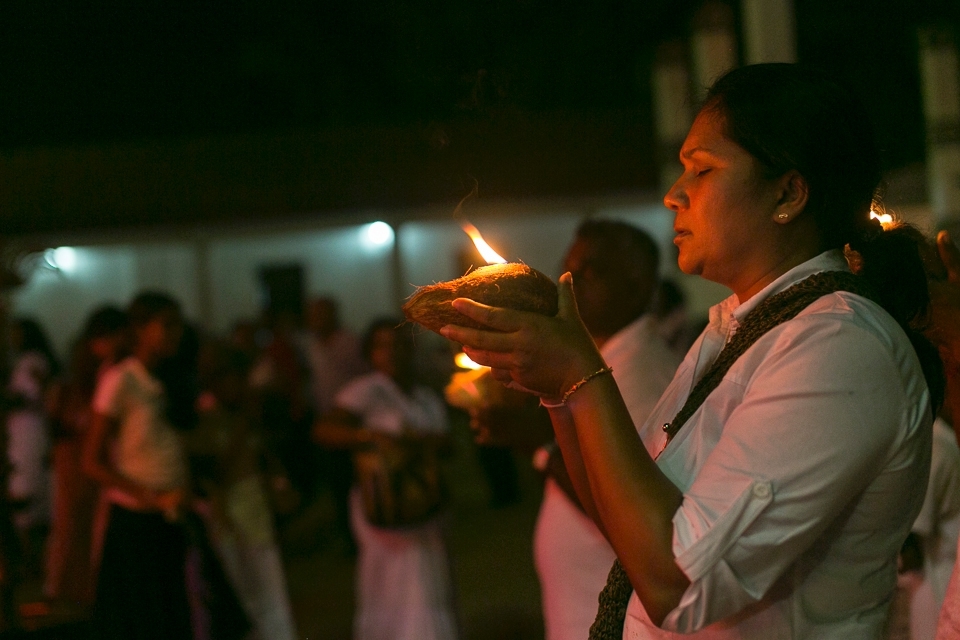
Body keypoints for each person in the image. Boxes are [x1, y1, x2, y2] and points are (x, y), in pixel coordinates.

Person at [441, 63, 944, 638]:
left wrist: (584, 374)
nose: (673, 194)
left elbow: (676, 584)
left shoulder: (839, 345)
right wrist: (558, 391)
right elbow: (627, 530)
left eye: (701, 170)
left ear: (787, 193)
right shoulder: (735, 330)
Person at [471, 220, 680, 640]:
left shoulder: (641, 371)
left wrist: (543, 446)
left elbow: (625, 506)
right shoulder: (603, 355)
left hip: (609, 610)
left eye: (591, 271)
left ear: (639, 284)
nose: (569, 282)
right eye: (567, 268)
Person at [314, 318, 458, 640]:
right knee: (391, 583)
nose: (391, 353)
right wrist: (371, 437)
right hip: (383, 508)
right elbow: (325, 430)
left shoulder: (424, 396)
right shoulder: (365, 391)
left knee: (428, 581)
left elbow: (448, 444)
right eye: (381, 346)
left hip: (425, 505)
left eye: (399, 344)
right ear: (370, 353)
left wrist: (420, 443)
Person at [83, 292, 193, 639]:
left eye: (179, 325)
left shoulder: (170, 378)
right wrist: (146, 494)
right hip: (135, 519)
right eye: (167, 325)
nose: (176, 334)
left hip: (172, 514)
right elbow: (92, 460)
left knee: (173, 611)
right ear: (141, 330)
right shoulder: (121, 380)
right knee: (143, 618)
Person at [45, 306, 128, 608]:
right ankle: (67, 589)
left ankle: (78, 588)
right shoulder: (89, 374)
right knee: (73, 521)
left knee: (87, 522)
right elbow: (66, 416)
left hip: (86, 451)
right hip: (77, 452)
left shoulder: (105, 370)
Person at [6, 318, 60, 573]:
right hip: (22, 429)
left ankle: (33, 555)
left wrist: (17, 401)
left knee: (28, 479)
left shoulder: (34, 360)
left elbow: (44, 393)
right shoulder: (24, 361)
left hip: (30, 428)